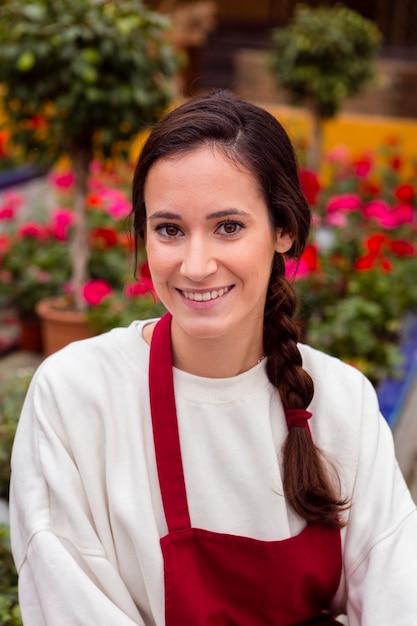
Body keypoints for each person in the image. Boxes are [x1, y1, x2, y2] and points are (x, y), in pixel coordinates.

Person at [9, 90, 417, 625]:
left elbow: (396, 597)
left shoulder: (343, 403)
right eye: (170, 230)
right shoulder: (76, 395)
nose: (196, 265)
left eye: (228, 226)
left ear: (284, 231)